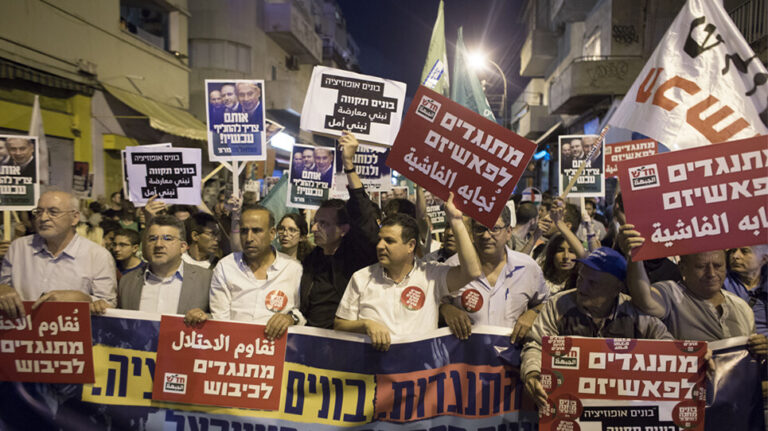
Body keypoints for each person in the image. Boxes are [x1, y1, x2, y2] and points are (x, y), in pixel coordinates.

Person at [521, 247, 674, 409]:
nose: (582, 287)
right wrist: (532, 373)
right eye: (581, 278)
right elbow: (537, 344)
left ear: (616, 288)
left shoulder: (635, 313)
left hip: (621, 408)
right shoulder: (558, 304)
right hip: (569, 407)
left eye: (592, 283)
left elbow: (669, 349)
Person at [334, 193, 482, 351]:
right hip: (375, 365)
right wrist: (366, 325)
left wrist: (456, 221)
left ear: (411, 246)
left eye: (389, 241)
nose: (380, 246)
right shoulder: (361, 278)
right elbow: (339, 325)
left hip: (420, 365)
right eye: (380, 240)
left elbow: (472, 272)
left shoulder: (431, 275)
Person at [621, 225, 767, 352]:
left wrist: (761, 349)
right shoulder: (672, 294)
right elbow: (644, 299)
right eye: (701, 267)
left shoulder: (742, 308)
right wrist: (634, 258)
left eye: (718, 266)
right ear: (682, 268)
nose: (711, 273)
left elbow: (751, 356)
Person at [184, 205, 304, 341]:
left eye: (257, 231)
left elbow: (302, 313)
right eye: (244, 231)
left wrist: (291, 318)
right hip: (235, 346)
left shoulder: (293, 269)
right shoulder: (225, 267)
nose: (249, 238)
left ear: (272, 233)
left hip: (278, 349)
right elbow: (220, 319)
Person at [300, 132, 379, 329]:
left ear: (343, 229)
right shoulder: (311, 259)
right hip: (310, 338)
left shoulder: (357, 258)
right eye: (315, 222)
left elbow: (363, 212)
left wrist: (348, 164)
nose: (314, 228)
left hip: (346, 339)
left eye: (324, 224)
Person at [439, 205, 549, 343]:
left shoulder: (528, 268)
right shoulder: (452, 266)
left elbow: (545, 303)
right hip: (466, 354)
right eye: (480, 229)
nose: (486, 235)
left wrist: (533, 313)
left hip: (513, 353)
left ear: (508, 232)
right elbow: (432, 306)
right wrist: (446, 310)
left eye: (494, 229)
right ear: (472, 232)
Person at [0, 191, 116, 317]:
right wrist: (2, 289)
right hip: (23, 327)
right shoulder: (18, 248)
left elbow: (108, 305)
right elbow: (4, 287)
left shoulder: (98, 256)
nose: (43, 218)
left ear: (74, 218)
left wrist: (83, 299)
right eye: (39, 212)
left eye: (53, 212)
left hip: (71, 327)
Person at [118, 215, 211, 314]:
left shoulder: (206, 280)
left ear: (182, 247)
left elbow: (219, 316)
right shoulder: (127, 281)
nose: (158, 245)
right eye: (152, 239)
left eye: (168, 239)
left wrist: (206, 318)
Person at [724, 245, 768, 336]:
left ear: (764, 259)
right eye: (733, 250)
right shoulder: (721, 280)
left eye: (744, 251)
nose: (735, 256)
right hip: (732, 340)